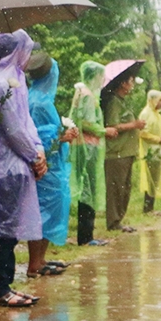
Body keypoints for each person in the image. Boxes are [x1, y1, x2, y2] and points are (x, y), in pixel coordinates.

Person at [0, 30, 46, 309]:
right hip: (4, 164)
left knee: (10, 227)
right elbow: (12, 127)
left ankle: (4, 284)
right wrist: (32, 155)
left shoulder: (17, 81)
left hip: (19, 162)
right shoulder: (0, 84)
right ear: (18, 50)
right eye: (27, 50)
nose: (30, 56)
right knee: (2, 228)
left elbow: (26, 121)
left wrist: (38, 150)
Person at [25, 51, 77, 278]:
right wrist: (62, 137)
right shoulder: (41, 102)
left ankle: (41, 259)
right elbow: (40, 138)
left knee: (47, 210)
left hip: (51, 166)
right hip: (46, 168)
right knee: (43, 212)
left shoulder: (33, 97)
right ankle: (35, 262)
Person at [70, 61, 110, 246]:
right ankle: (86, 237)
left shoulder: (82, 92)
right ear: (93, 76)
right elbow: (86, 122)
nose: (102, 80)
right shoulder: (87, 95)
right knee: (88, 189)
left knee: (86, 188)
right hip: (88, 147)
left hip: (83, 146)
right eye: (100, 76)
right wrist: (104, 131)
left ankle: (86, 236)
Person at [102, 72, 145, 232]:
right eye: (130, 81)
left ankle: (119, 220)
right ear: (122, 84)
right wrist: (134, 125)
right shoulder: (114, 102)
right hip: (116, 152)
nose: (132, 83)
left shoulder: (123, 102)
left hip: (127, 151)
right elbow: (113, 125)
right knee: (116, 188)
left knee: (125, 187)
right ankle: (113, 222)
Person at [139, 89, 161, 213]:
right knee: (150, 180)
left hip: (157, 152)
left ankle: (150, 208)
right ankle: (147, 209)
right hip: (150, 151)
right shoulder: (146, 114)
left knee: (155, 180)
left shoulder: (156, 114)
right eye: (160, 100)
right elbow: (142, 133)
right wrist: (159, 139)